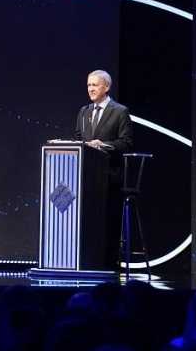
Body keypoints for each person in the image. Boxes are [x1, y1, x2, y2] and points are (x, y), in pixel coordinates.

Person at [73, 70, 133, 269]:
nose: (90, 89)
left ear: (106, 87)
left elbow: (126, 143)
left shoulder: (120, 111)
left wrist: (103, 145)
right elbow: (78, 139)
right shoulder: (83, 112)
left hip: (110, 175)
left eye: (95, 85)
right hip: (85, 177)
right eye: (88, 85)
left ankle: (107, 264)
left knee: (107, 222)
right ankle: (85, 260)